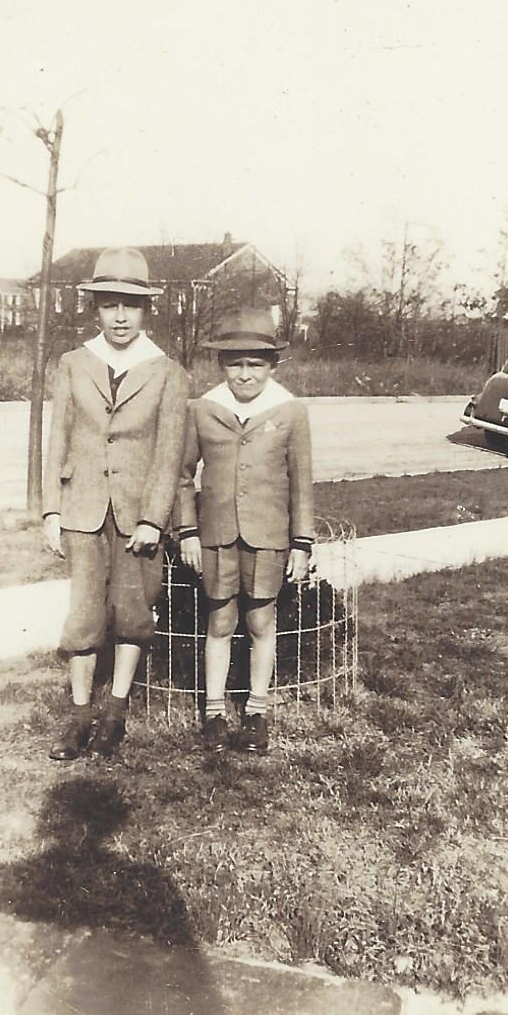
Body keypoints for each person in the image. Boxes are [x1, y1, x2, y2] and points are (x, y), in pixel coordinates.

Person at [42, 247, 190, 759]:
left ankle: (115, 714)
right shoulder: (72, 364)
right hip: (83, 508)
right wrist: (51, 510)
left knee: (132, 613)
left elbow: (170, 452)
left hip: (137, 518)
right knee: (83, 615)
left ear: (146, 310)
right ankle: (79, 716)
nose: (120, 316)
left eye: (131, 305)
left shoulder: (167, 372)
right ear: (96, 308)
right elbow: (56, 440)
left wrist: (153, 518)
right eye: (110, 305)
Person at [177, 308, 314, 755]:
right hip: (217, 534)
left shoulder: (289, 410)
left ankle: (256, 711)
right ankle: (214, 713)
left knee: (260, 620)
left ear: (273, 366)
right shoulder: (203, 408)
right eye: (235, 363)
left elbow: (301, 480)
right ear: (221, 364)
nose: (245, 373)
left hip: (269, 536)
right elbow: (182, 474)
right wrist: (188, 531)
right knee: (219, 620)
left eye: (256, 364)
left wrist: (301, 542)